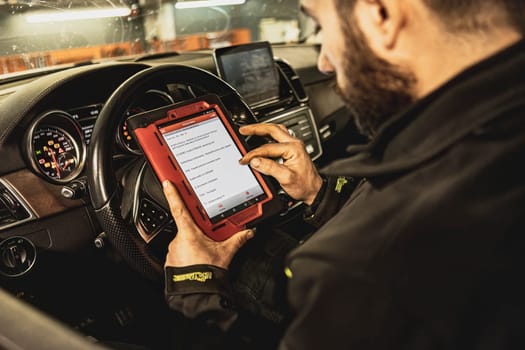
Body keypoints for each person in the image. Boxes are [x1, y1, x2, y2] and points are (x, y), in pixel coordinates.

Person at [161, 0, 525, 348]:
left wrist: (196, 294)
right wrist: (320, 195)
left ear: (380, 14)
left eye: (321, 26)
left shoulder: (361, 269)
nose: (323, 63)